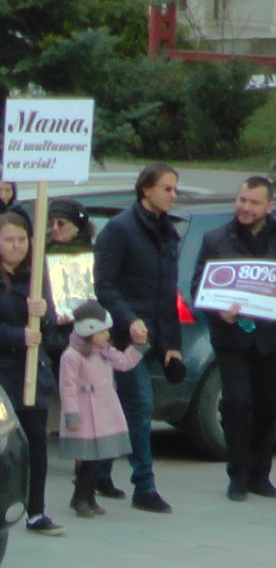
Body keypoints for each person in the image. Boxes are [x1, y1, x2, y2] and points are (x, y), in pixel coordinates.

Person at [0, 212, 62, 536]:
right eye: (9, 240)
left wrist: (44, 315)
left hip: (32, 373)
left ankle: (37, 511)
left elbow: (52, 329)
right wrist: (16, 336)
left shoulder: (35, 275)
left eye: (22, 239)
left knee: (37, 443)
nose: (16, 246)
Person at [94, 162, 185, 514]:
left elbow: (167, 294)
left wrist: (171, 345)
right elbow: (104, 285)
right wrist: (129, 319)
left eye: (175, 189)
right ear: (146, 189)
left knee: (121, 407)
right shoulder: (119, 230)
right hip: (121, 337)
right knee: (140, 406)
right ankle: (144, 486)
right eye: (167, 188)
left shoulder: (167, 233)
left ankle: (100, 472)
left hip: (154, 336)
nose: (173, 195)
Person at [190, 175, 276, 500]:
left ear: (269, 206)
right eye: (242, 200)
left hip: (270, 337)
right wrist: (218, 308)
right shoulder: (217, 238)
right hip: (232, 337)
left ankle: (259, 473)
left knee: (269, 407)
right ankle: (237, 474)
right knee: (237, 404)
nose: (245, 207)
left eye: (253, 202)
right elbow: (199, 285)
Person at [58, 301, 148, 519]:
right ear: (89, 331)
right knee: (88, 459)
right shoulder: (72, 356)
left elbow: (124, 363)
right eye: (103, 331)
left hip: (103, 412)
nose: (107, 335)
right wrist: (72, 414)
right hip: (85, 414)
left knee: (97, 458)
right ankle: (79, 497)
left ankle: (89, 497)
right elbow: (67, 387)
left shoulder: (104, 351)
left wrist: (138, 346)